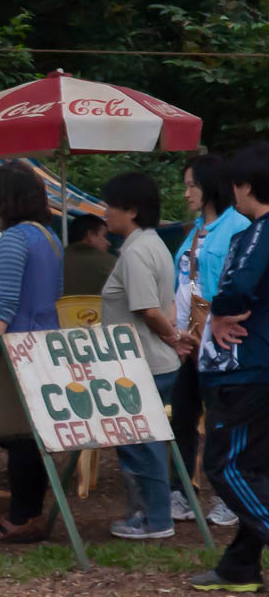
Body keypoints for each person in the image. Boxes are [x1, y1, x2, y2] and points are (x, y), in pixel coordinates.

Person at [0, 162, 63, 544]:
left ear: (7, 199)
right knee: (31, 434)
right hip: (42, 342)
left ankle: (22, 516)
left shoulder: (13, 240)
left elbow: (5, 302)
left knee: (17, 434)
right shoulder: (49, 236)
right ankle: (30, 513)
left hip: (15, 347)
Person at [190, 144, 269, 592]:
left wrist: (220, 311)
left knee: (227, 465)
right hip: (260, 366)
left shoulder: (260, 230)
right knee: (257, 466)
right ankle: (240, 565)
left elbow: (239, 284)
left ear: (247, 186)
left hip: (248, 367)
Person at [98, 172, 191, 539]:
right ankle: (150, 515)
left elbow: (149, 310)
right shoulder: (154, 245)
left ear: (131, 210)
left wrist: (172, 338)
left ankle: (154, 519)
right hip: (152, 361)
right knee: (146, 440)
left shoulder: (136, 252)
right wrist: (173, 338)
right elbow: (165, 303)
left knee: (141, 444)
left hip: (141, 362)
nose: (105, 213)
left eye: (110, 206)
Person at [169, 155, 247, 528]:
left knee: (221, 421)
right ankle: (181, 492)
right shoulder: (195, 229)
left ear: (211, 185)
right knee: (183, 416)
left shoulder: (238, 227)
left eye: (192, 185)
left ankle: (229, 497)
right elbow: (181, 282)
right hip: (188, 342)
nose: (186, 194)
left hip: (223, 343)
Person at [62, 213, 116, 296]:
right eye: (104, 236)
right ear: (91, 235)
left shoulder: (55, 260)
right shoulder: (112, 264)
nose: (108, 243)